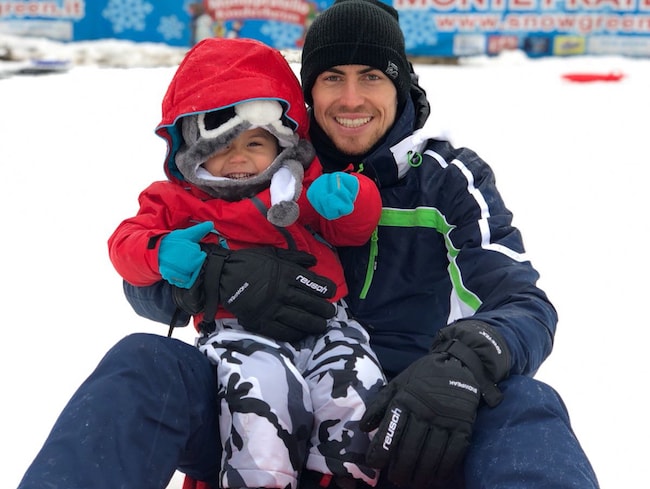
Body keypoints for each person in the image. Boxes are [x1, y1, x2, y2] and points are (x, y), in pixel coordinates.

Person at [17, 2, 601, 489]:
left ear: (401, 85)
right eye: (331, 77)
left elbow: (525, 302)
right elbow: (146, 271)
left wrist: (463, 364)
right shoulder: (249, 168)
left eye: (371, 77)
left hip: (405, 413)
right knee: (142, 361)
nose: (351, 99)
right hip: (246, 386)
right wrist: (215, 275)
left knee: (528, 403)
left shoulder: (445, 177)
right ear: (305, 95)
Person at [108, 36, 385, 489]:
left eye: (255, 143)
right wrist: (159, 253)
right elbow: (126, 243)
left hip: (327, 322)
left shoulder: (298, 186)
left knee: (355, 385)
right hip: (239, 332)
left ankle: (344, 479)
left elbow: (351, 230)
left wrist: (351, 202)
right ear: (194, 147)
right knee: (259, 395)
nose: (239, 159)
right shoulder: (179, 199)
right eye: (222, 146)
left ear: (281, 144)